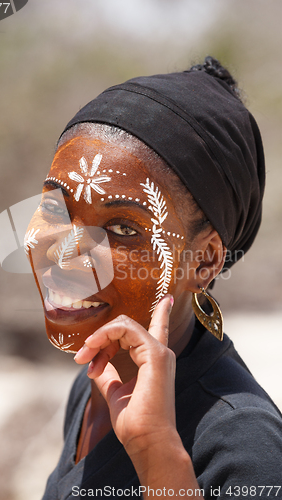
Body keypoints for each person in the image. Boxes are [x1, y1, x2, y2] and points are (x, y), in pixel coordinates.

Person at [25, 57, 282, 499]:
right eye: (56, 209)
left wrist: (157, 453)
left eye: (122, 229)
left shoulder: (245, 446)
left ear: (204, 261)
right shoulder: (99, 379)